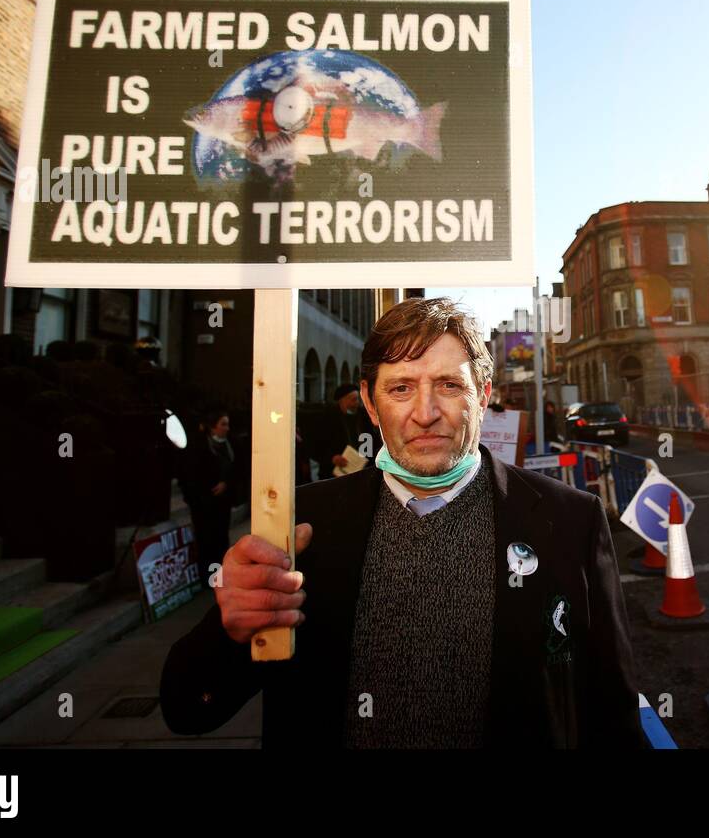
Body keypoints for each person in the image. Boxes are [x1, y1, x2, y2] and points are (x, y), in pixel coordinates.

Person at [160, 297, 647, 748]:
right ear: (371, 404)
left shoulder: (570, 520)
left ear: (483, 395)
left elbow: (612, 709)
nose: (425, 413)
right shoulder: (300, 524)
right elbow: (188, 709)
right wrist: (230, 629)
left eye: (449, 386)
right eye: (401, 388)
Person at [178, 408, 235, 572]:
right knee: (206, 540)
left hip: (222, 503)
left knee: (221, 538)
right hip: (203, 503)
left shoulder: (229, 444)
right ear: (213, 427)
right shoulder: (198, 446)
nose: (227, 428)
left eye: (227, 424)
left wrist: (226, 483)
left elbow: (235, 469)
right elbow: (191, 474)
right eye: (223, 424)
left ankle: (221, 572)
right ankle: (208, 575)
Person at [318, 382, 381, 479]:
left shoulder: (364, 416)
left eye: (357, 399)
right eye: (353, 400)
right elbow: (319, 445)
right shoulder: (328, 418)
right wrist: (332, 458)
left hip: (362, 471)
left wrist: (368, 459)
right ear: (342, 401)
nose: (357, 403)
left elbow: (370, 440)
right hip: (335, 473)